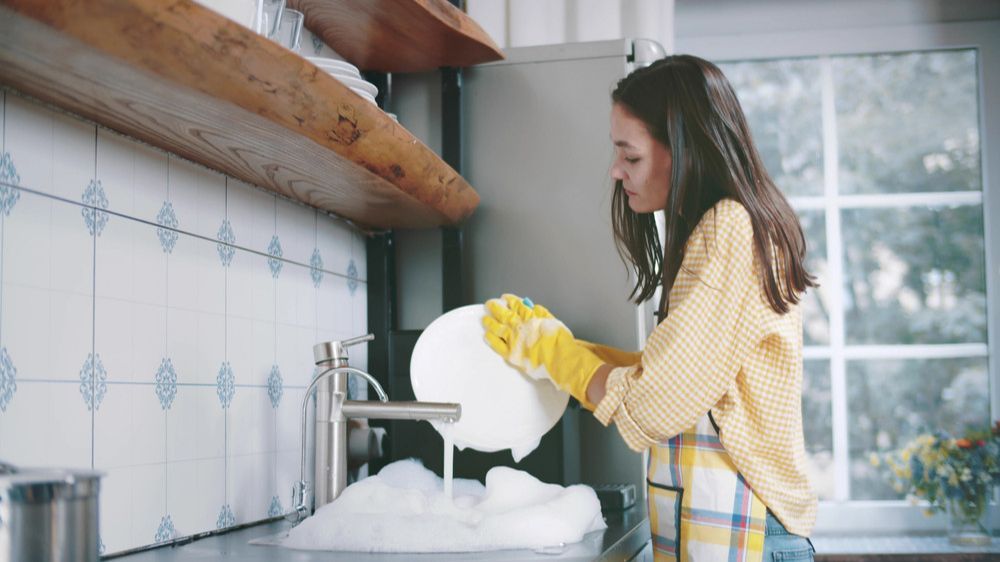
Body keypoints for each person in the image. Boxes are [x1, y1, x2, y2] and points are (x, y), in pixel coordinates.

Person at [482, 54, 819, 562]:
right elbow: (688, 381)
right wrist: (565, 348)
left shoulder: (731, 228)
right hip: (735, 527)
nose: (616, 172)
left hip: (750, 531)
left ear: (684, 150)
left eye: (630, 156)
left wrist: (558, 356)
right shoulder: (724, 227)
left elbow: (654, 404)